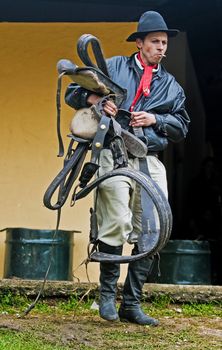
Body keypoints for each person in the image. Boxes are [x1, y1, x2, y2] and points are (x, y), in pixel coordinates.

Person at [65, 11, 190, 326]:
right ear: (140, 43)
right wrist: (96, 97)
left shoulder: (171, 86)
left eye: (164, 43)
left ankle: (131, 303)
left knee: (153, 228)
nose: (161, 48)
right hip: (111, 153)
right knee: (117, 221)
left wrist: (156, 119)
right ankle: (107, 297)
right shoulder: (114, 67)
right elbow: (72, 93)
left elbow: (181, 126)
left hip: (148, 158)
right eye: (155, 42)